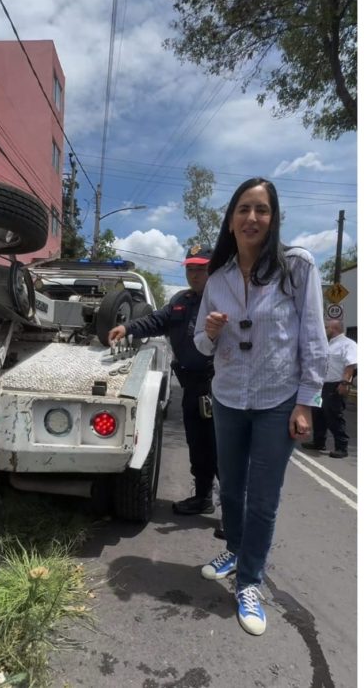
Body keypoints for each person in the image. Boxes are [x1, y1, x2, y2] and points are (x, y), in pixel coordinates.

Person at [193, 177, 328, 636]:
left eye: (262, 210)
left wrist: (306, 403)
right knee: (230, 488)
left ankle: (249, 580)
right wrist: (209, 332)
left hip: (277, 400)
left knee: (263, 500)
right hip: (229, 397)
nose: (252, 218)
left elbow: (313, 337)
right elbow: (199, 345)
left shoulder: (297, 266)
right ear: (230, 221)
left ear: (274, 219)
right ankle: (234, 549)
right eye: (244, 209)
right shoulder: (218, 279)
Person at [109, 245, 218, 517]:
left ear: (212, 270)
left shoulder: (223, 301)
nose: (194, 274)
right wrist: (127, 328)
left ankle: (232, 513)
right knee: (197, 444)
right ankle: (203, 497)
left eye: (200, 269)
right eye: (190, 269)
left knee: (223, 449)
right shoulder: (182, 300)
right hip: (192, 387)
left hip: (217, 387)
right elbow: (157, 320)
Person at [303, 319, 357, 458]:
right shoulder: (328, 344)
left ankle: (342, 447)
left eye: (326, 327)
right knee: (318, 414)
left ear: (334, 328)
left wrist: (345, 383)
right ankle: (319, 442)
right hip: (322, 386)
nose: (324, 329)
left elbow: (350, 365)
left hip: (335, 385)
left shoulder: (348, 344)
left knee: (333, 415)